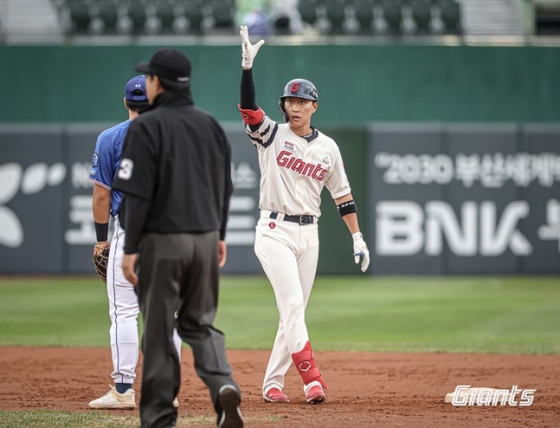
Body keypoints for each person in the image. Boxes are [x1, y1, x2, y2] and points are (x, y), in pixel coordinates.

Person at [237, 26, 370, 405]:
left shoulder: (328, 148)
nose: (293, 107)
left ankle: (272, 384)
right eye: (288, 101)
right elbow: (248, 111)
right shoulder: (271, 135)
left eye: (301, 101)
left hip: (309, 234)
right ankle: (312, 379)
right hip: (274, 229)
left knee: (291, 312)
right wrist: (247, 69)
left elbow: (342, 195)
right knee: (293, 305)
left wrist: (356, 236)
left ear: (314, 106)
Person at [112, 48, 243, 428]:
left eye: (150, 77)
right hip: (204, 239)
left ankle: (160, 419)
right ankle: (222, 386)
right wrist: (218, 235)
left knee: (157, 332)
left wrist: (131, 247)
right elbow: (226, 186)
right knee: (199, 324)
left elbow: (136, 193)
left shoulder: (145, 126)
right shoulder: (209, 124)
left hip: (161, 242)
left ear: (157, 82)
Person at [88, 75, 183, 410]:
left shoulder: (110, 138)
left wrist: (102, 241)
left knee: (124, 312)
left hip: (131, 234)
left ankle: (123, 390)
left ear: (126, 102)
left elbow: (102, 195)